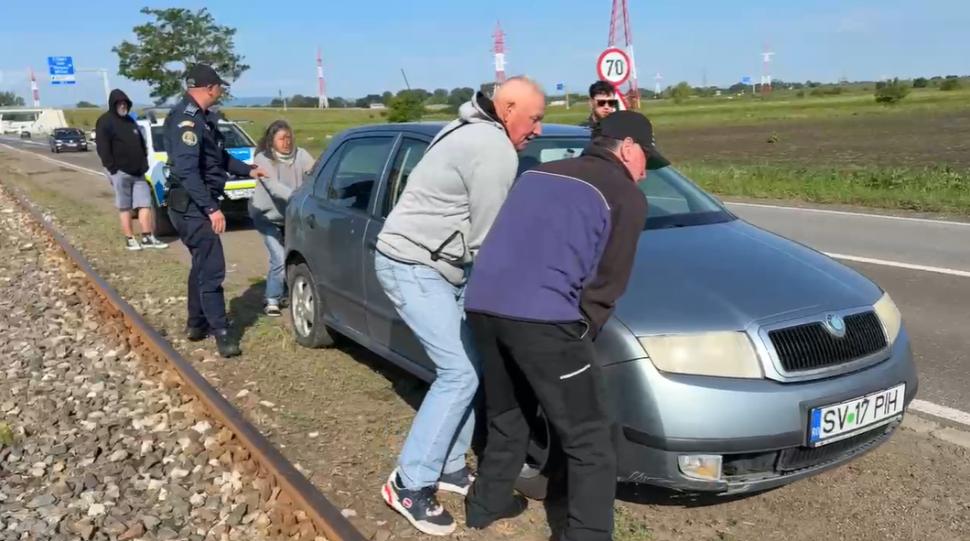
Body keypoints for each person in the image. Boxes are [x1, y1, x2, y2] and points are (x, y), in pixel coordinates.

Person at [463, 111, 663, 541]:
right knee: (592, 436)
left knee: (508, 410)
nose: (645, 172)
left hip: (483, 304)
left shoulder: (538, 174)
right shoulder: (626, 196)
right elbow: (607, 284)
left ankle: (487, 503)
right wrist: (580, 335)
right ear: (628, 148)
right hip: (544, 318)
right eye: (645, 159)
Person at [375, 77, 546, 536]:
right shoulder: (494, 150)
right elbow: (488, 240)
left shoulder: (464, 125)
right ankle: (409, 483)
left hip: (433, 261)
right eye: (535, 118)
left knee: (467, 364)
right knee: (460, 371)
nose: (539, 130)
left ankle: (448, 465)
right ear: (508, 108)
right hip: (413, 263)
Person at [163, 64, 269, 358]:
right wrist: (212, 209)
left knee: (200, 263)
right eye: (219, 87)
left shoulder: (202, 119)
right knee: (212, 268)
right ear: (209, 88)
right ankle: (222, 333)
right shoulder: (188, 121)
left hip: (190, 204)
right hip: (193, 205)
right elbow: (187, 170)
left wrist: (249, 170)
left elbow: (218, 157)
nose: (221, 91)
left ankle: (196, 324)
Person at [248, 120, 315, 317]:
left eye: (289, 137)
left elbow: (314, 172)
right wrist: (299, 196)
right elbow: (274, 187)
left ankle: (287, 290)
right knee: (278, 257)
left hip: (290, 215)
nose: (286, 142)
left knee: (291, 255)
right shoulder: (263, 158)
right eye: (281, 138)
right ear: (271, 141)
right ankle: (272, 298)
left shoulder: (301, 155)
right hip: (265, 216)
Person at [95, 89, 168, 251]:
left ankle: (148, 237)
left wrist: (144, 164)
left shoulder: (130, 121)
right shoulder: (105, 121)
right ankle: (130, 238)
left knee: (145, 204)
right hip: (120, 172)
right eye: (119, 103)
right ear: (113, 104)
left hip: (138, 172)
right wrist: (112, 168)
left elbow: (141, 143)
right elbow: (102, 147)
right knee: (125, 206)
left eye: (125, 103)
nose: (122, 106)